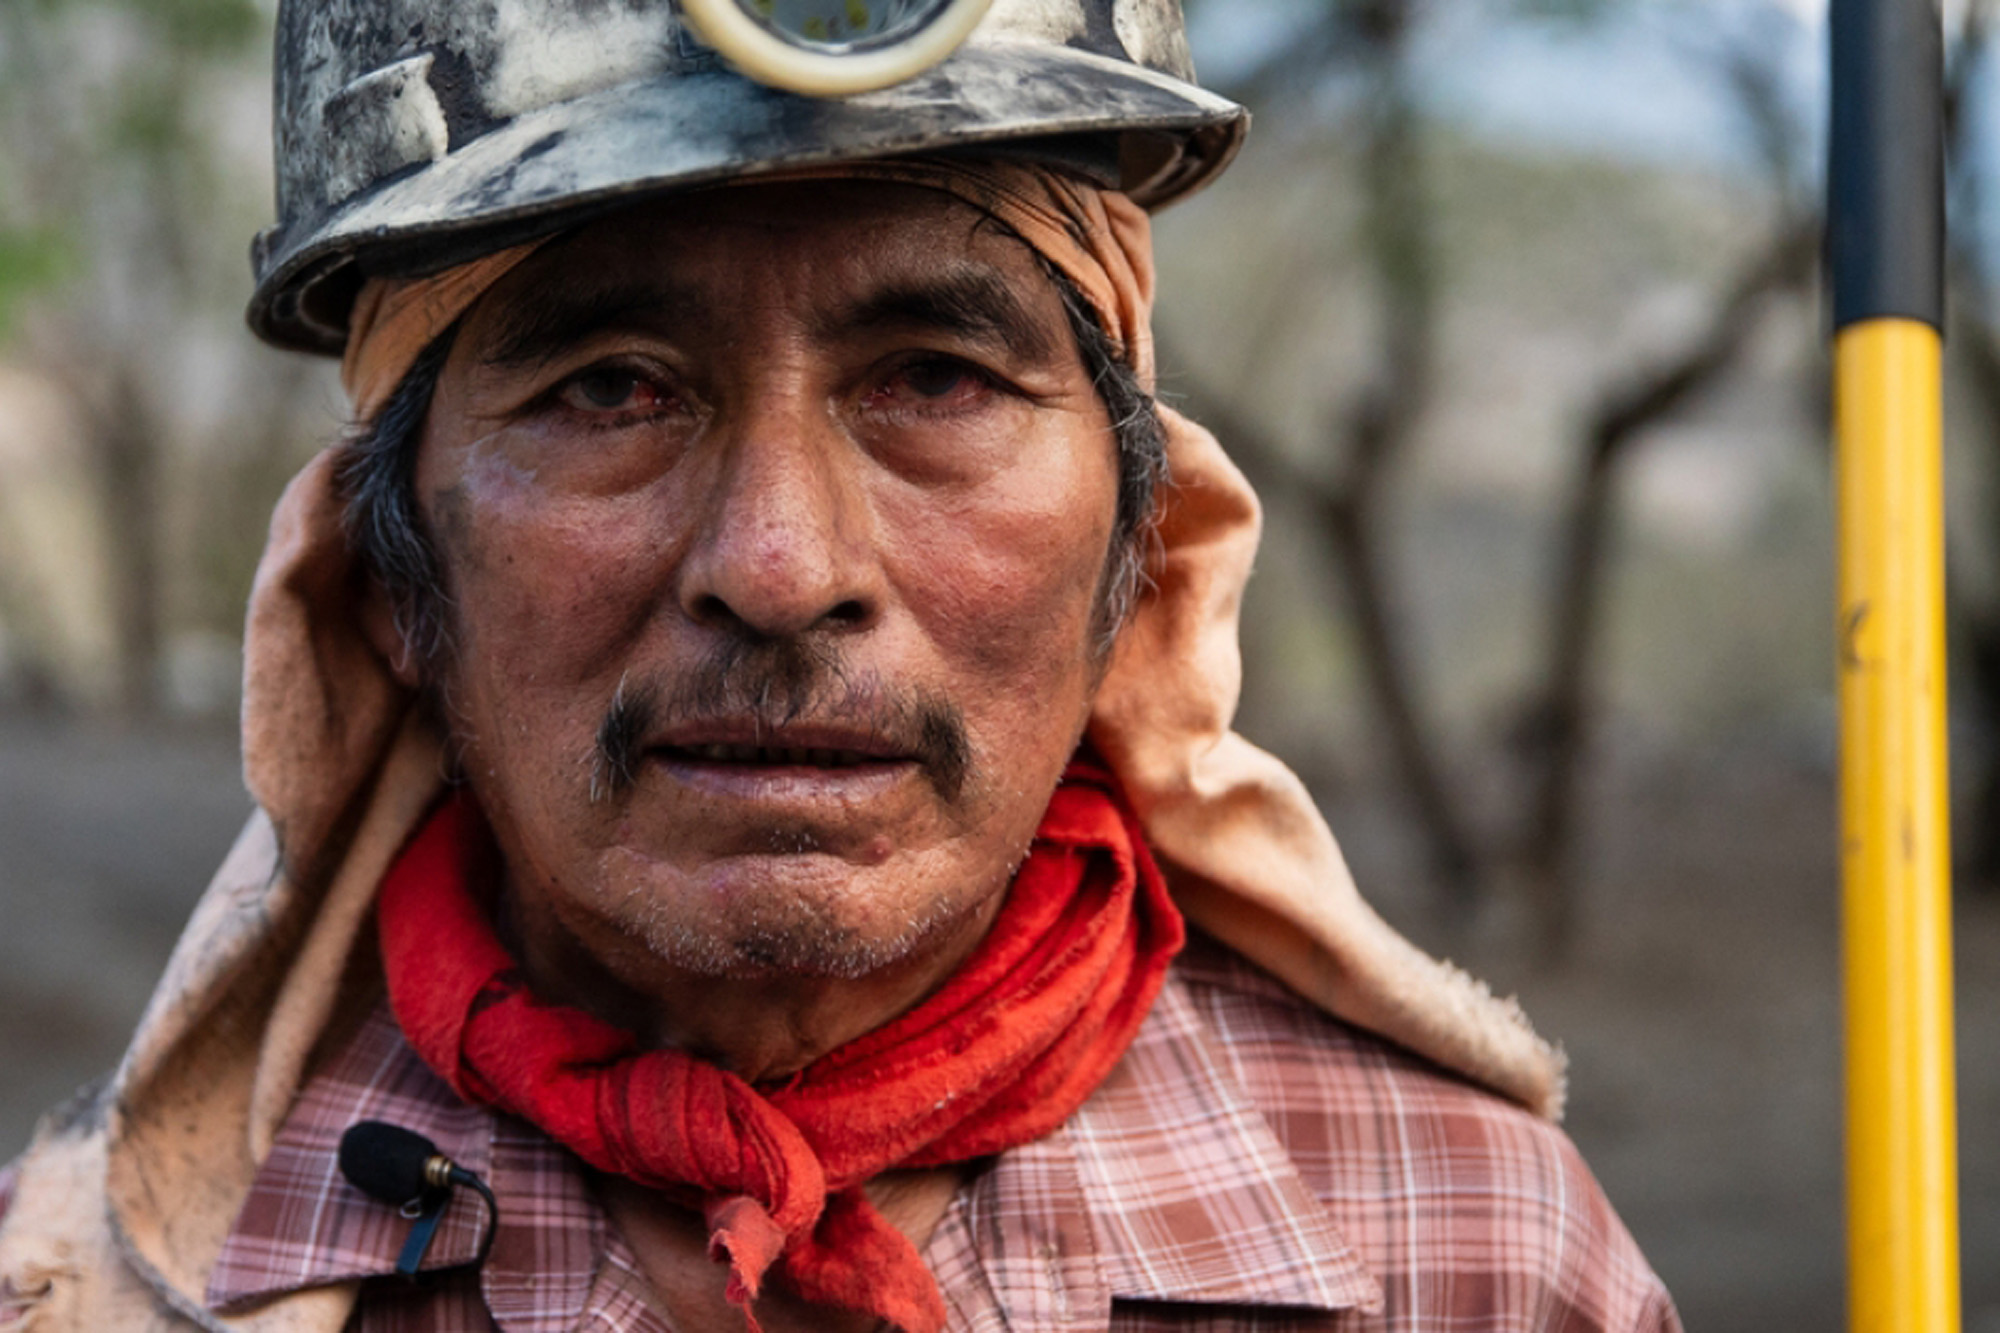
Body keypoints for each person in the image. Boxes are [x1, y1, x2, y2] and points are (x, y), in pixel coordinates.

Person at [0, 2, 1680, 1329]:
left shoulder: (1469, 1257)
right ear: (385, 580)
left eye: (937, 378)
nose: (785, 568)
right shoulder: (99, 1294)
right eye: (608, 390)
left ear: (1135, 551)